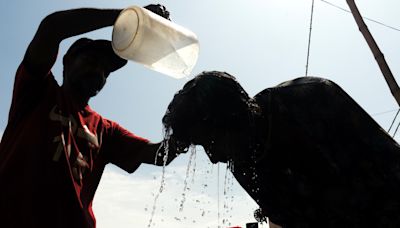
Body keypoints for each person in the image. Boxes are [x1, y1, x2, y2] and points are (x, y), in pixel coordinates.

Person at [0, 4, 181, 228]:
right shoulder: (37, 91)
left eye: (105, 71)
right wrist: (126, 19)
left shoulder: (106, 130)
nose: (99, 71)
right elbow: (52, 28)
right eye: (92, 61)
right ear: (66, 62)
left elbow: (158, 154)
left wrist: (192, 127)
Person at [162, 71, 400, 228]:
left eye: (211, 141)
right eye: (204, 147)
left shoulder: (309, 99)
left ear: (233, 117)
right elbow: (285, 221)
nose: (213, 159)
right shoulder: (242, 163)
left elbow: (391, 162)